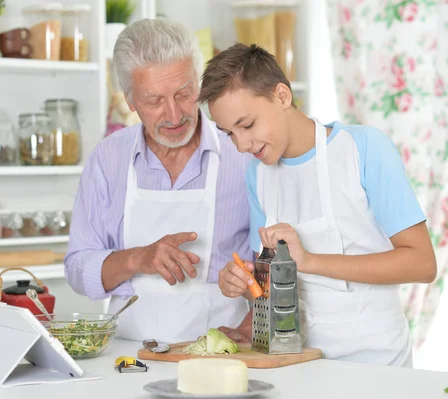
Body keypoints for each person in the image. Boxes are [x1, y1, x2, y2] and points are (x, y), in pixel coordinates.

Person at [198, 43, 437, 366]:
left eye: (247, 125)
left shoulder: (363, 149)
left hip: (378, 363)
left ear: (282, 96)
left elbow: (421, 264)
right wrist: (244, 283)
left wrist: (309, 260)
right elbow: (266, 286)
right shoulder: (258, 173)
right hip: (298, 362)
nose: (241, 145)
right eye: (229, 133)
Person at [64, 19, 254, 344]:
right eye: (154, 100)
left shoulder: (244, 154)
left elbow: (278, 267)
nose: (174, 114)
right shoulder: (108, 159)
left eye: (184, 93)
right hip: (129, 355)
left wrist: (249, 330)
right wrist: (139, 258)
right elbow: (78, 268)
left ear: (200, 82)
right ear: (130, 100)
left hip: (222, 353)